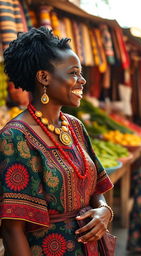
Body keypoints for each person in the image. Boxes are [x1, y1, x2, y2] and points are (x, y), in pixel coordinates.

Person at [0, 27, 114, 255]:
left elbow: (96, 189)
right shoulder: (15, 137)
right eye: (73, 73)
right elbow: (12, 229)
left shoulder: (74, 127)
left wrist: (104, 211)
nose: (82, 80)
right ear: (44, 77)